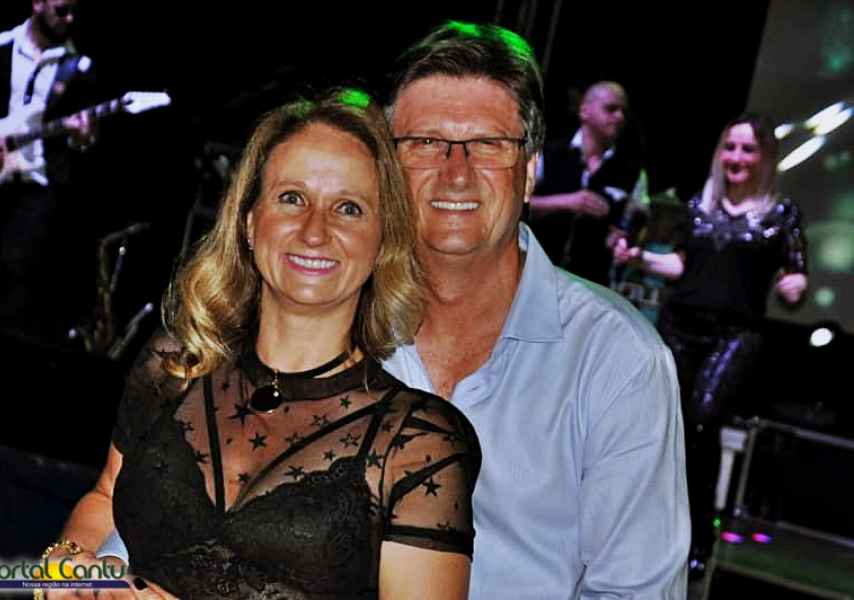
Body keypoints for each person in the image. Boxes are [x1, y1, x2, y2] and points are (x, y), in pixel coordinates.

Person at [101, 21, 689, 598]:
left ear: (531, 169)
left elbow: (636, 591)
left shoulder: (616, 360)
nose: (455, 173)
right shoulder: (317, 312)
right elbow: (152, 521)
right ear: (387, 167)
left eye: (488, 144)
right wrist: (83, 578)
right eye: (426, 142)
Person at [43, 89, 481, 599]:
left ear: (383, 242)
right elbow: (104, 498)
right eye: (292, 198)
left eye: (348, 208)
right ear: (250, 222)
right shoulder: (177, 364)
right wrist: (67, 567)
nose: (314, 231)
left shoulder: (418, 443)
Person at [613, 113, 808, 578]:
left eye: (748, 149)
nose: (737, 157)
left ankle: (699, 536)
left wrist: (795, 285)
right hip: (681, 326)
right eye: (730, 147)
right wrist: (639, 257)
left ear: (764, 157)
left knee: (702, 421)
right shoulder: (699, 207)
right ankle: (651, 530)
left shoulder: (780, 216)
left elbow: (795, 271)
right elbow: (682, 267)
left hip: (734, 335)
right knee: (666, 426)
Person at [0, 0, 97, 353]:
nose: (69, 19)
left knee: (12, 282)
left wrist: (82, 137)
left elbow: (83, 139)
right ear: (38, 3)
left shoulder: (77, 66)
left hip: (35, 186)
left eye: (74, 11)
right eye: (61, 10)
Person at [529, 81, 644, 285]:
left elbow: (635, 222)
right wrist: (566, 202)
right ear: (585, 111)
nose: (620, 117)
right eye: (611, 109)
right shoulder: (550, 153)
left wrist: (622, 238)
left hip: (590, 282)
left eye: (623, 112)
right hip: (536, 272)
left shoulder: (631, 171)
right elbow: (517, 206)